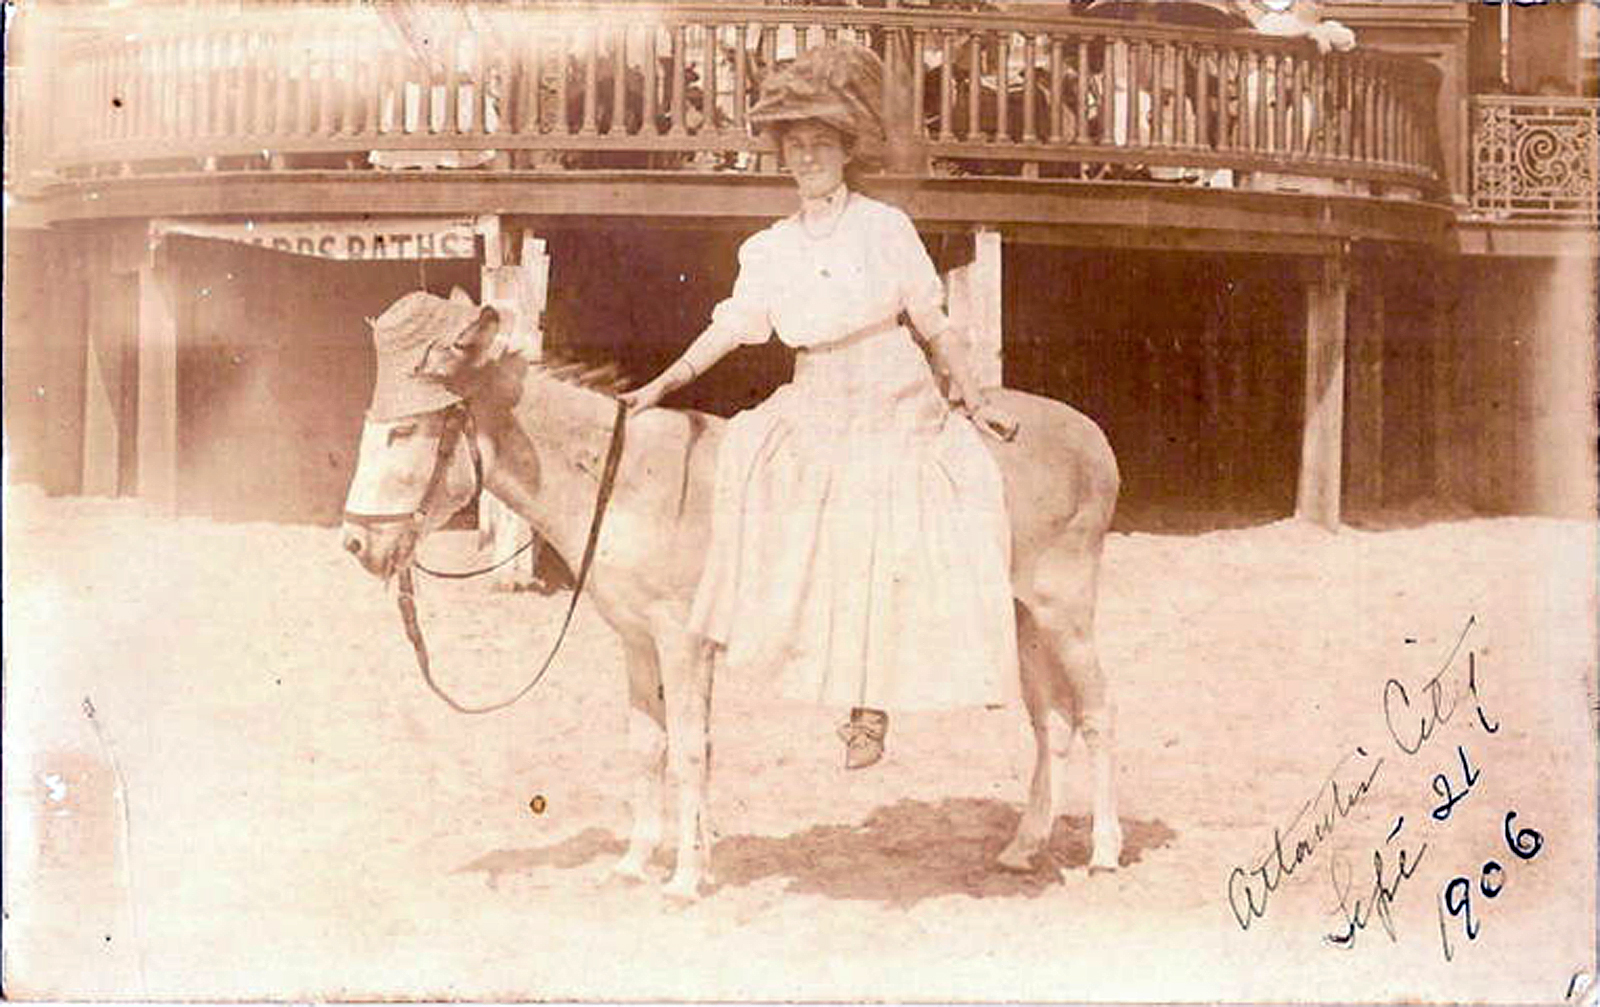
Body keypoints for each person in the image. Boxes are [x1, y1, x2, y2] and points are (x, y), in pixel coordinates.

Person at [621, 43, 1019, 770]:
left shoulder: (884, 226)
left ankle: (871, 702)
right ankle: (789, 645)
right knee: (750, 461)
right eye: (795, 146)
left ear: (845, 152)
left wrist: (973, 392)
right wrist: (664, 383)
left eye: (820, 146)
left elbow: (932, 320)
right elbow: (735, 325)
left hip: (889, 385)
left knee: (879, 507)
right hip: (816, 389)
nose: (807, 158)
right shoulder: (769, 248)